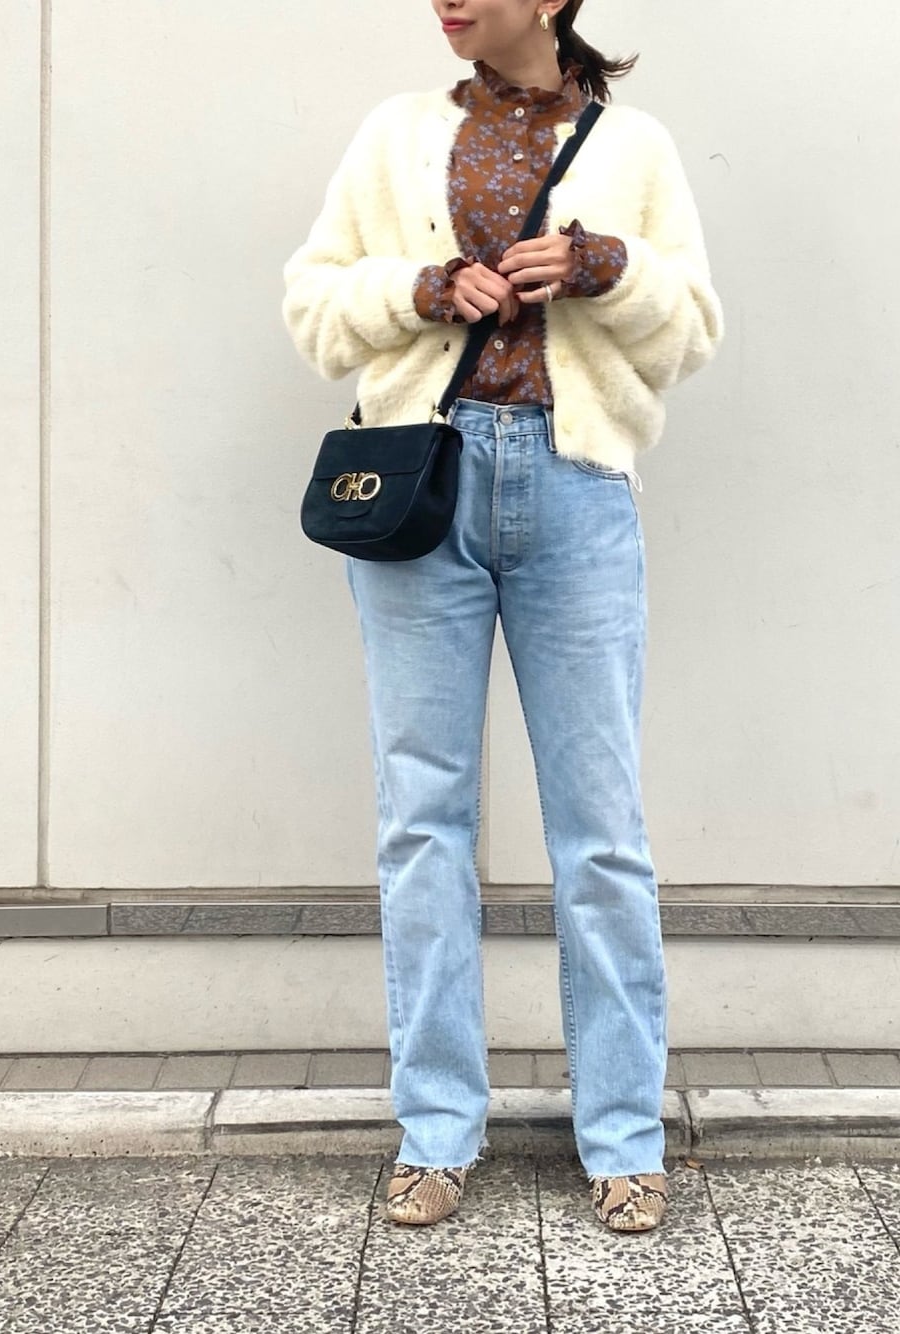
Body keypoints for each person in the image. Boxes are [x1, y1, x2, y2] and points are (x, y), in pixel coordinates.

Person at [283, 0, 722, 1232]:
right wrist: (421, 289)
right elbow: (312, 305)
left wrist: (606, 268)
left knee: (602, 830)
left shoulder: (633, 148)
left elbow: (692, 331)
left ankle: (624, 1134)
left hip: (576, 489)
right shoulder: (395, 134)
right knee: (421, 820)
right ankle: (434, 1128)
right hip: (422, 488)